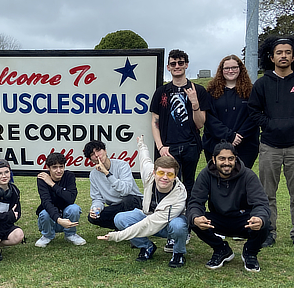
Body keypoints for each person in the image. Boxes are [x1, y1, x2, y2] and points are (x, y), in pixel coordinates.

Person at [248, 35, 294, 251]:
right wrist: (270, 125)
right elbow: (253, 111)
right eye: (279, 52)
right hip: (269, 147)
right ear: (271, 56)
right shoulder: (262, 83)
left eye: (287, 52)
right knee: (267, 194)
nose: (283, 56)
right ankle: (269, 231)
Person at [97, 136, 188, 268]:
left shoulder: (179, 195)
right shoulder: (149, 174)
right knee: (120, 219)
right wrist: (141, 144)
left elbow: (150, 223)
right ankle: (147, 247)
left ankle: (178, 253)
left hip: (168, 224)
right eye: (161, 172)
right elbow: (145, 159)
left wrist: (116, 236)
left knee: (179, 226)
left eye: (170, 175)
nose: (164, 178)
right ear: (154, 172)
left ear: (175, 176)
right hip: (148, 215)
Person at [149, 49, 208, 253]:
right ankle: (170, 231)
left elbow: (200, 124)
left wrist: (194, 102)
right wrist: (159, 146)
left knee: (188, 187)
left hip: (191, 145)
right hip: (168, 148)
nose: (177, 66)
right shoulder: (162, 92)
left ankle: (186, 227)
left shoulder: (197, 89)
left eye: (180, 63)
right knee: (168, 186)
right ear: (168, 67)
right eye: (173, 63)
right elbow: (154, 121)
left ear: (186, 65)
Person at [186, 141, 270, 272]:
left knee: (265, 223)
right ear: (213, 160)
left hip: (244, 220)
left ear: (235, 159)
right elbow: (195, 202)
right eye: (222, 159)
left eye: (230, 158)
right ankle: (221, 249)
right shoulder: (205, 175)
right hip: (218, 219)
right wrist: (196, 217)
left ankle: (250, 252)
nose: (226, 163)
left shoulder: (248, 175)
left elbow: (261, 203)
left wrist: (259, 218)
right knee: (192, 220)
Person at [203, 55, 259, 168]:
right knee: (218, 180)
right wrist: (229, 136)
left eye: (234, 67)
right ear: (221, 70)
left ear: (240, 69)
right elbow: (209, 118)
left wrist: (239, 136)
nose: (230, 71)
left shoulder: (251, 91)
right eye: (227, 68)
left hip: (245, 145)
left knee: (241, 181)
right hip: (216, 144)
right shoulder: (211, 92)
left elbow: (254, 115)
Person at [83, 139, 142, 230]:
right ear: (91, 160)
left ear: (105, 151)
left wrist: (107, 173)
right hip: (116, 206)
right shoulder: (94, 175)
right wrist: (96, 208)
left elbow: (126, 190)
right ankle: (121, 227)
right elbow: (97, 198)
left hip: (134, 202)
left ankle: (133, 232)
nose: (97, 155)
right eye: (92, 154)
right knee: (93, 218)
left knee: (128, 200)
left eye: (98, 151)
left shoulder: (122, 165)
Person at [35, 152, 86, 247]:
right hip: (52, 216)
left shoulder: (69, 176)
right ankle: (47, 235)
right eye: (54, 167)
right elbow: (46, 202)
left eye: (61, 167)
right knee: (44, 213)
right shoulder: (42, 178)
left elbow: (71, 198)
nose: (59, 170)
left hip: (66, 213)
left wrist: (52, 184)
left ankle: (70, 234)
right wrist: (58, 219)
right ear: (47, 167)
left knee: (74, 208)